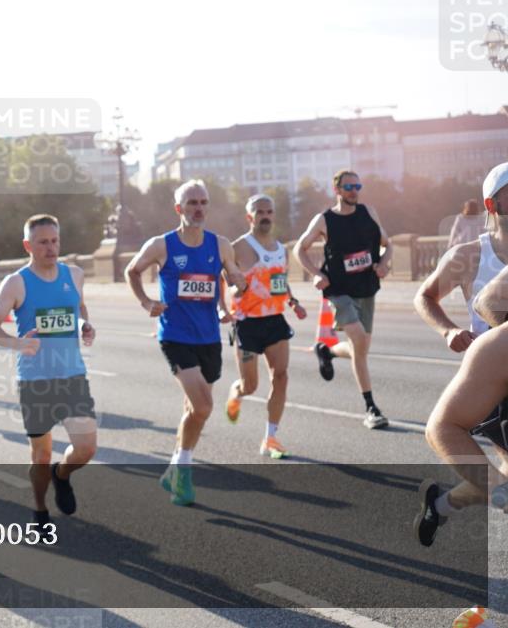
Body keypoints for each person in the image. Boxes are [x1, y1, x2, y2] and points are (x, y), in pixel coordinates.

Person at [125, 180, 246, 506]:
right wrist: (147, 302)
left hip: (209, 337)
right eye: (192, 203)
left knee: (193, 409)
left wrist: (235, 289)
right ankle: (183, 471)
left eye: (203, 202)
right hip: (175, 336)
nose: (199, 208)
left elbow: (230, 279)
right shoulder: (161, 245)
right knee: (204, 407)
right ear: (179, 208)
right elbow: (132, 271)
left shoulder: (221, 245)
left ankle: (173, 470)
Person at [0, 214, 97, 536]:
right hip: (36, 381)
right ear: (28, 245)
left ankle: (62, 474)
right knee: (41, 454)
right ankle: (40, 508)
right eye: (43, 242)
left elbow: (78, 308)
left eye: (55, 241)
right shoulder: (16, 282)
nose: (51, 248)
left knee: (86, 449)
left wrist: (84, 325)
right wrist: (18, 343)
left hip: (73, 375)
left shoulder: (74, 274)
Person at [415, 264, 508, 546]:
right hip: (491, 385)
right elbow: (485, 300)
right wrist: (502, 495)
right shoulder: (498, 347)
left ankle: (439, 505)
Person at [294, 169, 392, 430]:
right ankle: (371, 407)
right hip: (338, 290)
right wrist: (316, 274)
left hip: (366, 288)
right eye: (348, 187)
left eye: (357, 186)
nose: (354, 191)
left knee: (360, 349)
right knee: (358, 339)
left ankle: (326, 351)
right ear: (336, 190)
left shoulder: (368, 213)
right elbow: (299, 249)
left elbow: (388, 244)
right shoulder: (324, 220)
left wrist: (383, 263)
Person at [224, 195, 307, 458]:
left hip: (274, 321)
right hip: (247, 323)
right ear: (249, 217)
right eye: (259, 212)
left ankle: (270, 437)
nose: (265, 216)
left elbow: (279, 281)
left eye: (269, 211)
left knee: (281, 377)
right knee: (251, 386)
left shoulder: (281, 249)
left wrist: (293, 302)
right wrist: (228, 301)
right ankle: (236, 393)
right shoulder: (237, 247)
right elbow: (223, 280)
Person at [415, 162, 508, 351]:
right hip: (489, 365)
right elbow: (424, 296)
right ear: (491, 205)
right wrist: (449, 331)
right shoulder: (468, 256)